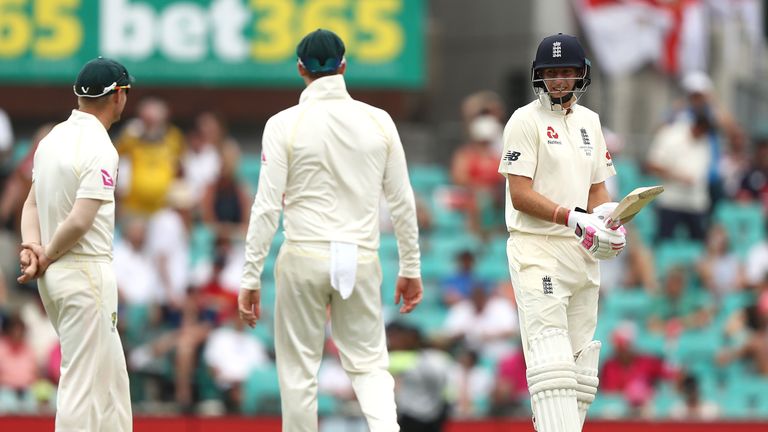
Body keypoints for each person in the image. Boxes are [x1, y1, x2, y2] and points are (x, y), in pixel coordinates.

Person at [238, 29, 423, 432]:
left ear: (300, 69)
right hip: (359, 255)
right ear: (344, 65)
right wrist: (410, 267)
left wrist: (251, 276)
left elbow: (267, 206)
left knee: (298, 371)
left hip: (304, 254)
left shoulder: (284, 123)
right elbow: (402, 201)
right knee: (370, 366)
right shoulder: (378, 120)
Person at [497, 33, 626, 432]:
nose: (558, 81)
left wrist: (607, 218)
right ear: (540, 77)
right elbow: (519, 194)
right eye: (551, 73)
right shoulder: (524, 120)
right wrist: (571, 216)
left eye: (566, 72)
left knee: (579, 372)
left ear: (580, 75)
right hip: (538, 249)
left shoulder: (591, 122)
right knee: (551, 365)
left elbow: (597, 188)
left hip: (580, 251)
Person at [17, 57, 133, 431]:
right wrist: (45, 255)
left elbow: (31, 203)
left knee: (111, 379)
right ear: (117, 96)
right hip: (84, 270)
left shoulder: (52, 138)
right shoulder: (102, 147)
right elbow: (82, 220)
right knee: (82, 385)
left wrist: (30, 248)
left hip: (57, 276)